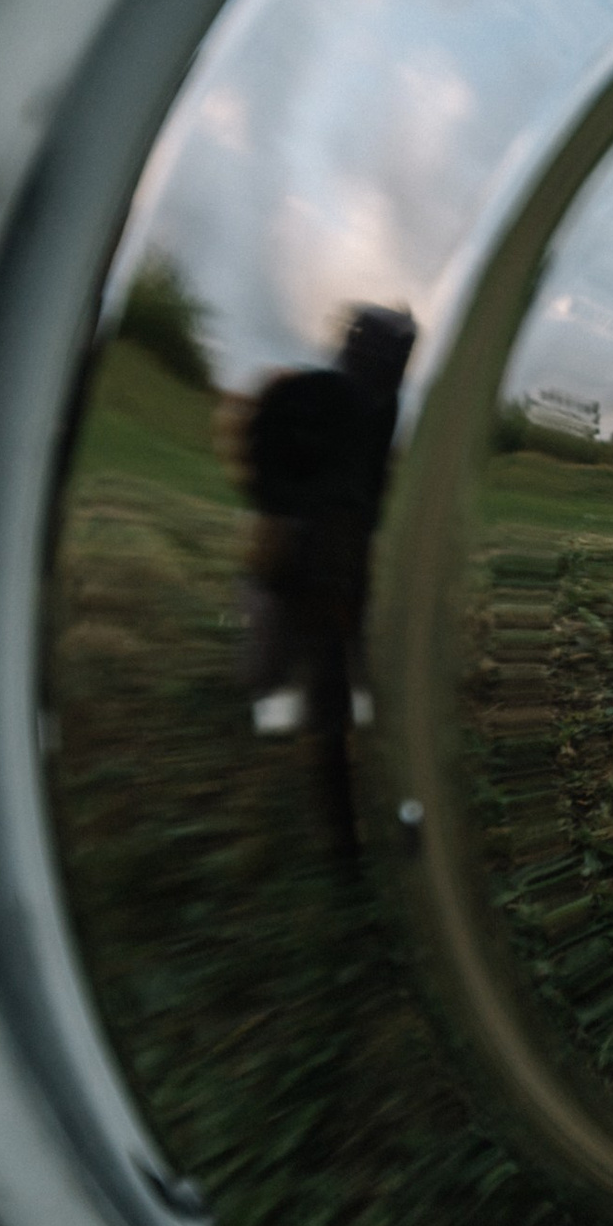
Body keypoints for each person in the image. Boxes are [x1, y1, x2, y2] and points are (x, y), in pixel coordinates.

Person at [235, 304, 416, 858]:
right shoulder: (317, 394)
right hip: (310, 550)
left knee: (332, 672)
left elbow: (370, 482)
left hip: (337, 553)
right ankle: (341, 836)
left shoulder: (375, 405)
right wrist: (295, 518)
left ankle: (343, 833)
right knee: (305, 659)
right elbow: (267, 462)